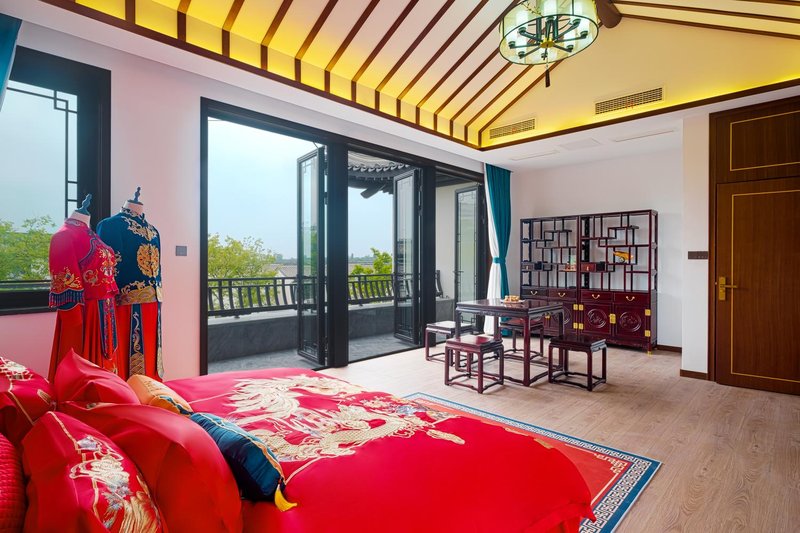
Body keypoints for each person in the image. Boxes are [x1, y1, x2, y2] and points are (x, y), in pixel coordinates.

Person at [48, 194, 119, 380]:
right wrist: (75, 326)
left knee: (107, 368)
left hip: (105, 311)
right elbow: (64, 284)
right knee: (83, 371)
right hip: (86, 312)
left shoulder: (91, 234)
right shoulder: (64, 236)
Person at [97, 188, 164, 380]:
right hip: (124, 302)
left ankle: (152, 387)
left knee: (152, 349)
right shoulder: (110, 225)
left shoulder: (153, 230)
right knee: (127, 351)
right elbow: (106, 267)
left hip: (154, 301)